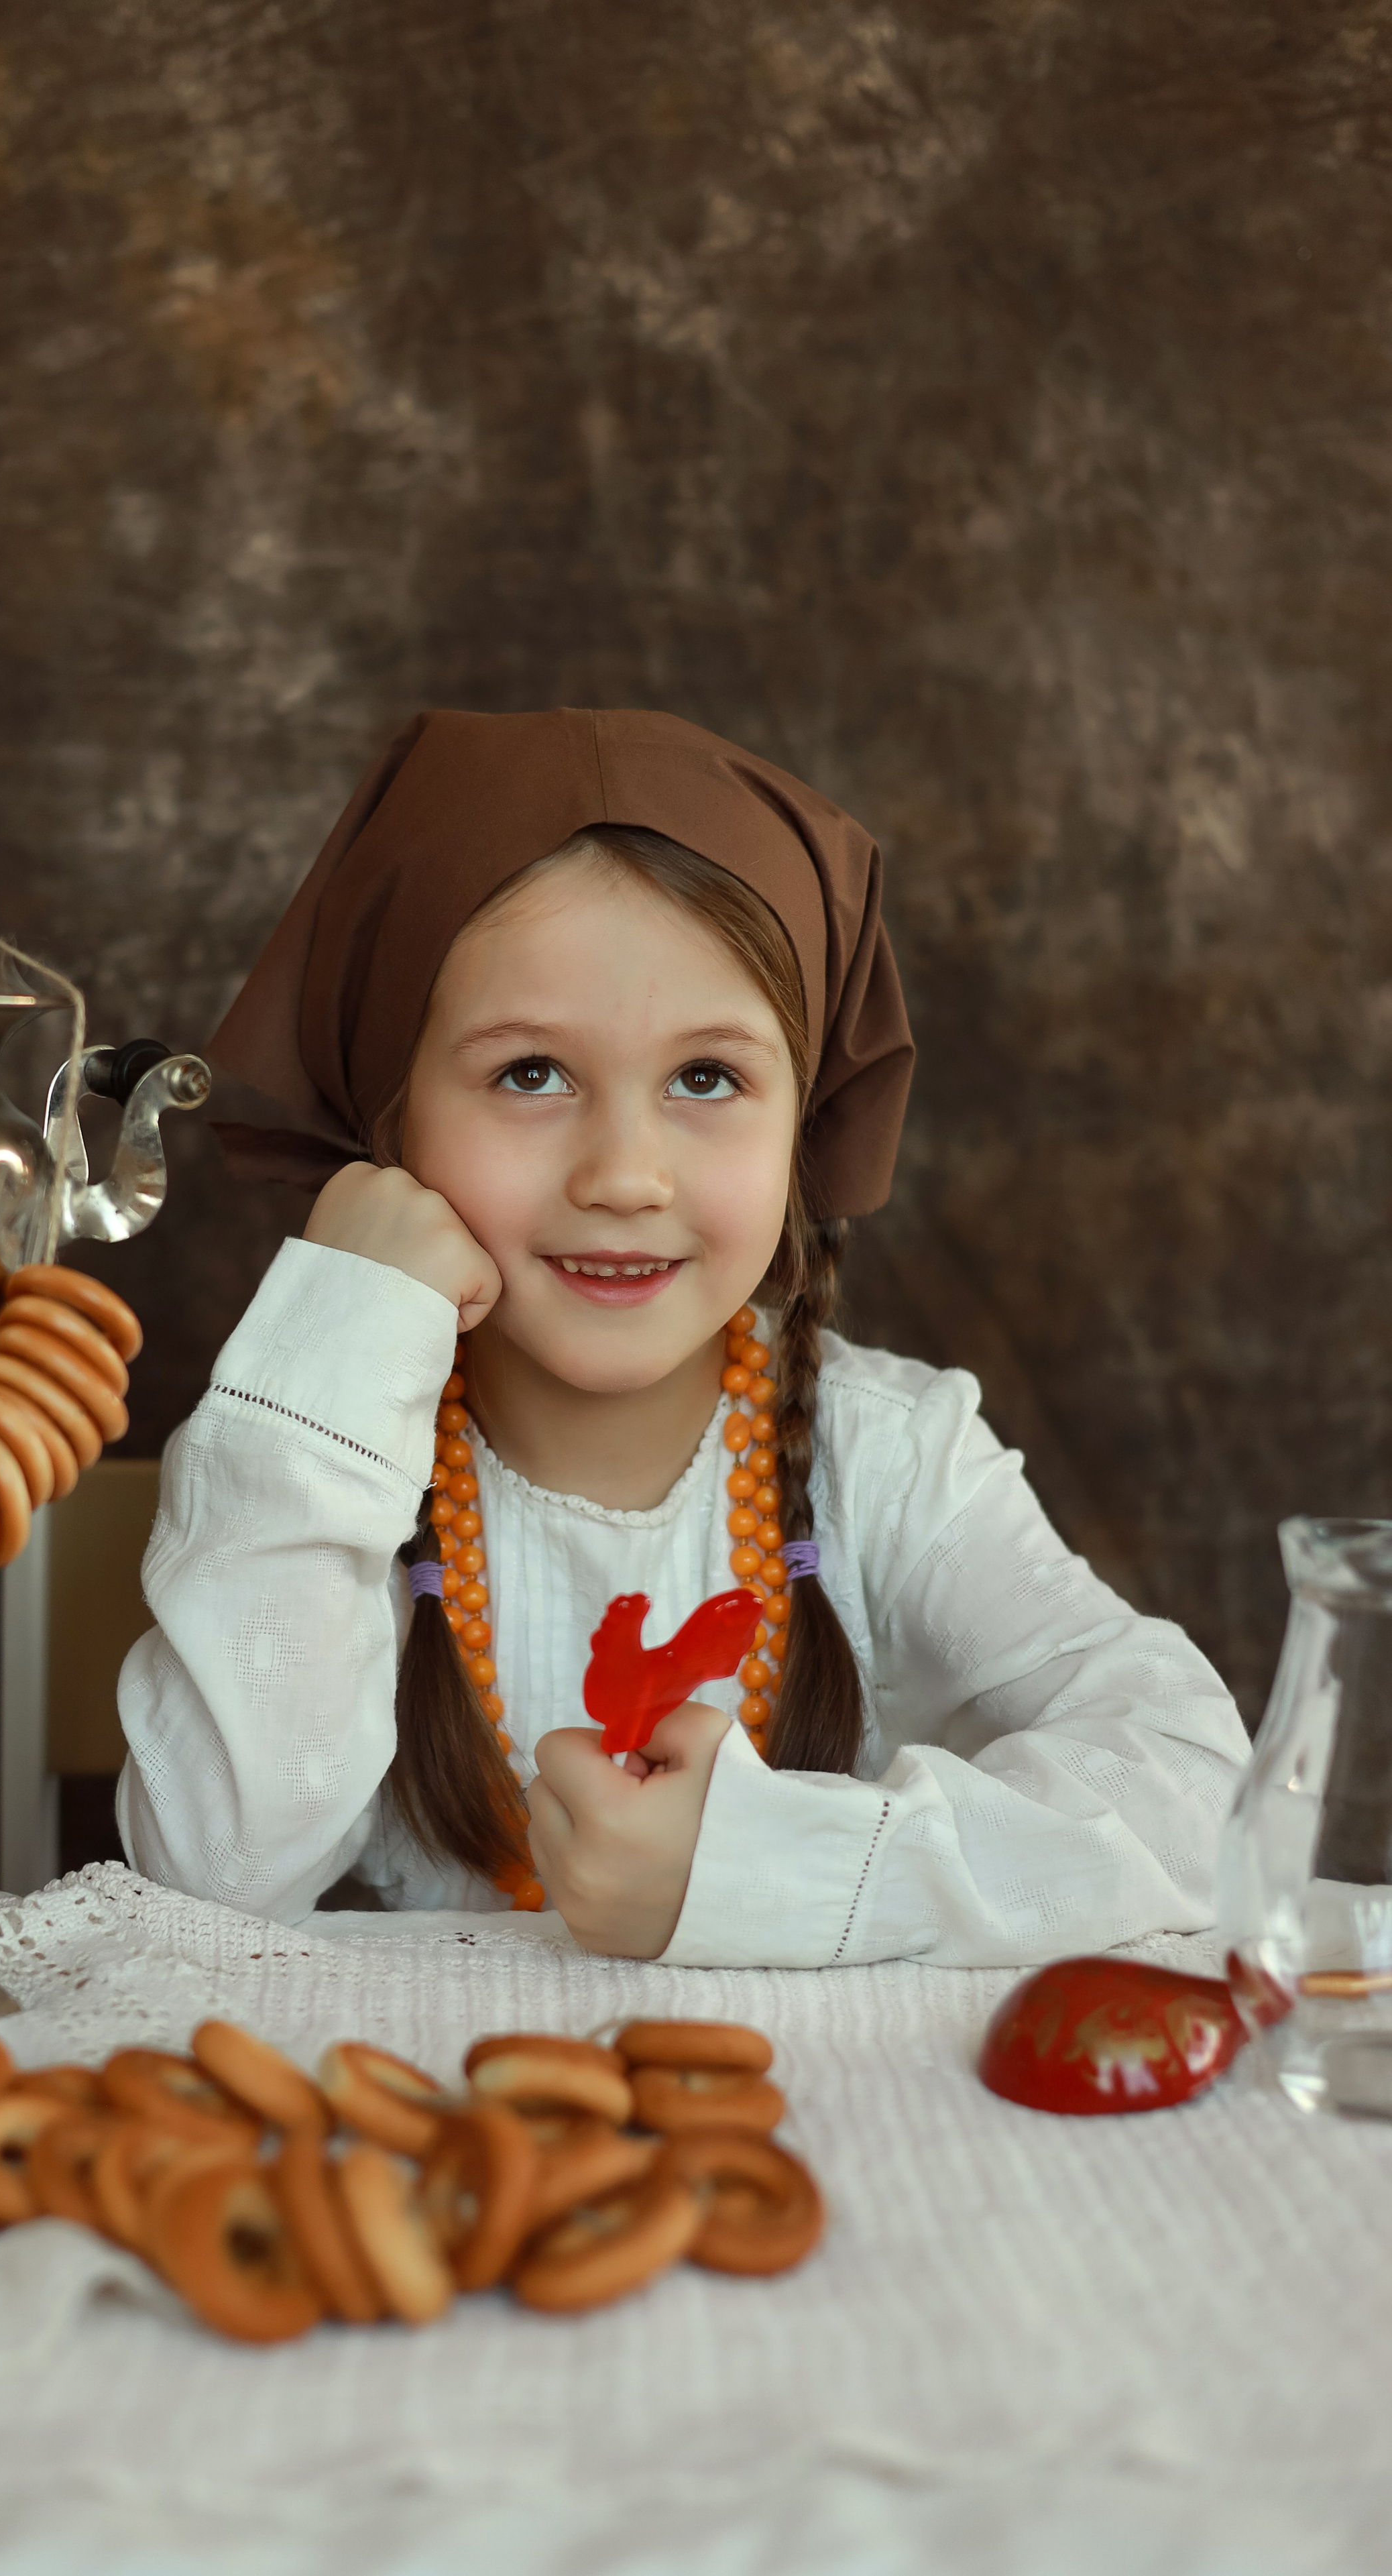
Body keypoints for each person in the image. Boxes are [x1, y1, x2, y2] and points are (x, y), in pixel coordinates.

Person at [116, 708, 1249, 1965]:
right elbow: (209, 1881)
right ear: (389, 1125)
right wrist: (341, 1333)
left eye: (706, 1077)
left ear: (803, 1125)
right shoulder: (334, 1450)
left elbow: (1199, 1786)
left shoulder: (892, 1460)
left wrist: (777, 1868)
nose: (625, 1175)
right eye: (531, 1072)